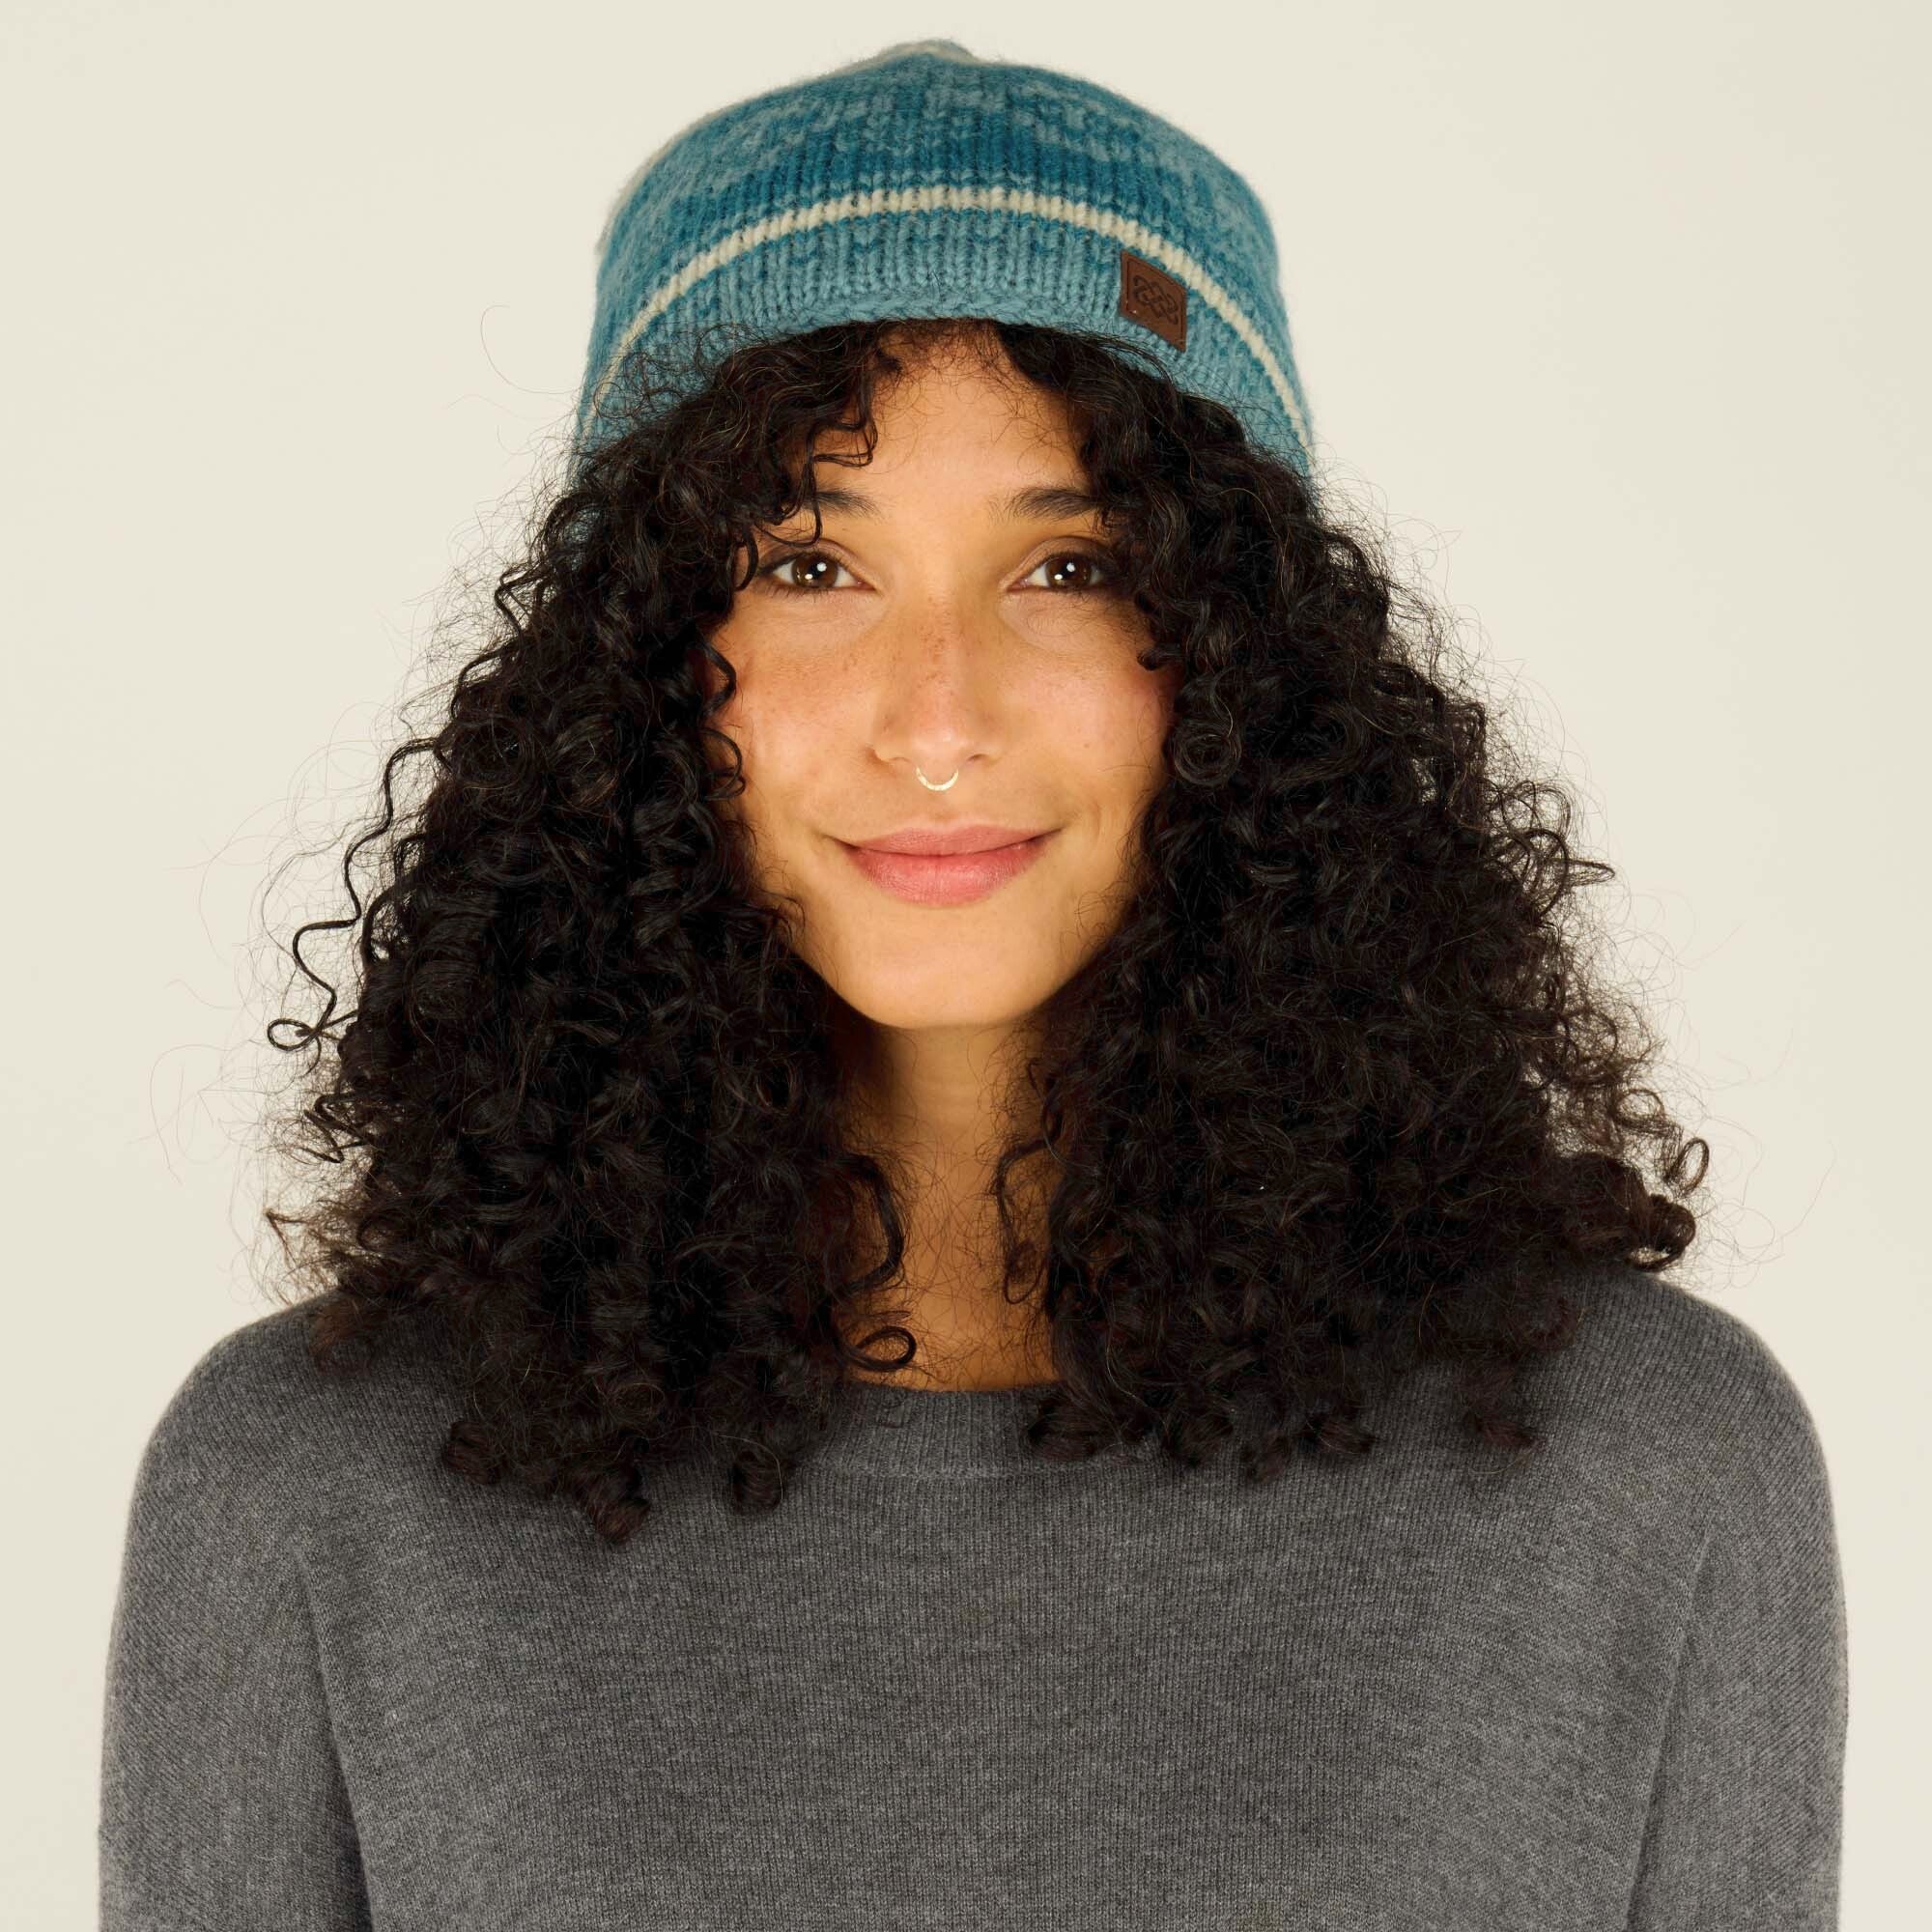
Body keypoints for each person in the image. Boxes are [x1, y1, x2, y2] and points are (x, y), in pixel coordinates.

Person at [99, 38, 1848, 1931]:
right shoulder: (309, 1494)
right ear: (630, 679)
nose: (939, 718)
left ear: (1249, 665)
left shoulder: (1642, 1475)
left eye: (1070, 564)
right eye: (806, 562)